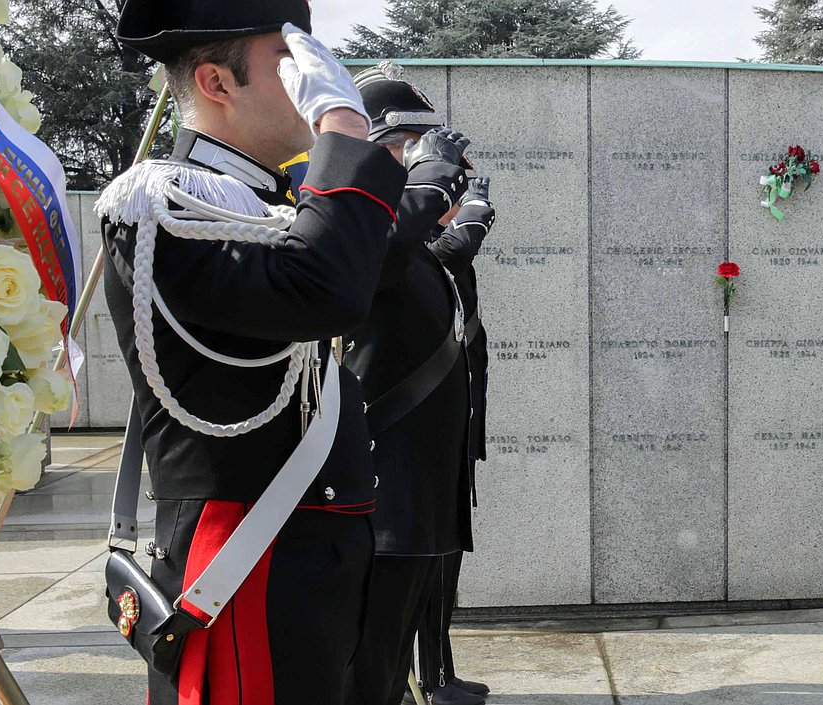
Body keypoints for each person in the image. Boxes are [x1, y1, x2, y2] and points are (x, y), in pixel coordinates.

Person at [99, 3, 407, 703]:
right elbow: (324, 292)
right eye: (288, 62)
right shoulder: (166, 205)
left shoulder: (266, 204)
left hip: (309, 550)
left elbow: (359, 268)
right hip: (248, 557)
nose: (313, 78)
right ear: (216, 82)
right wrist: (344, 127)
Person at [342, 63, 476, 705]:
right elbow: (381, 256)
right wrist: (429, 181)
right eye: (396, 148)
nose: (409, 160)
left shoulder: (411, 240)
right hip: (386, 495)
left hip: (422, 494)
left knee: (391, 666)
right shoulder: (356, 232)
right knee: (371, 668)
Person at [413, 177, 497, 705]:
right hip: (421, 438)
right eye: (452, 193)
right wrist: (467, 224)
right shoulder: (411, 245)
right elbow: (442, 254)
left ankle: (439, 669)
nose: (459, 205)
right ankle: (424, 679)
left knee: (446, 560)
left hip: (453, 432)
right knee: (425, 564)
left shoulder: (438, 249)